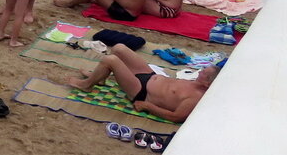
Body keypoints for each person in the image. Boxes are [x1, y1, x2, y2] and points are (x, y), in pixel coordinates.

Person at [66, 45, 219, 123]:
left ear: (207, 84)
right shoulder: (197, 83)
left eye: (203, 74)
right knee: (119, 49)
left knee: (110, 60)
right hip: (149, 76)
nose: (199, 72)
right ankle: (99, 77)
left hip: (142, 92)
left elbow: (176, 117)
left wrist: (148, 106)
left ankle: (87, 84)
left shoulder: (195, 97)